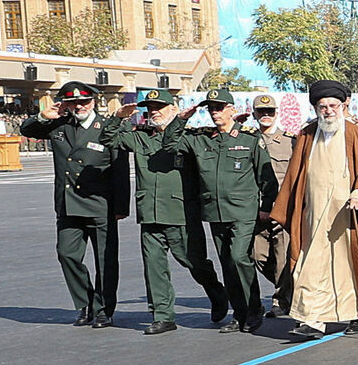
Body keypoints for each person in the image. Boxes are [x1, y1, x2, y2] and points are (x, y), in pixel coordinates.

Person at [271, 80, 358, 337]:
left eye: (333, 105)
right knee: (310, 264)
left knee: (348, 265)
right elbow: (295, 174)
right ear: (315, 107)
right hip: (313, 215)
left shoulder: (356, 134)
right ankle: (312, 320)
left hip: (347, 215)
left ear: (343, 105)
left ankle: (357, 315)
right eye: (322, 106)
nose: (328, 111)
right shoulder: (306, 134)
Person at [103, 89, 230, 335]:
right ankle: (163, 315)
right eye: (149, 108)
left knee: (193, 261)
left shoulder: (190, 137)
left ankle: (217, 292)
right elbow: (109, 139)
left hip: (181, 212)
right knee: (154, 267)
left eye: (159, 107)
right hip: (149, 211)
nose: (154, 112)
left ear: (174, 109)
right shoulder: (140, 138)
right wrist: (118, 117)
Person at [167, 88, 278, 333]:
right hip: (215, 212)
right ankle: (239, 314)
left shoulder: (248, 140)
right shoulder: (201, 139)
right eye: (210, 109)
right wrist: (182, 118)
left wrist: (266, 207)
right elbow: (170, 142)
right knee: (228, 263)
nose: (214, 113)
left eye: (219, 108)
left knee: (239, 258)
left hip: (243, 212)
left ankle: (253, 307)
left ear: (231, 110)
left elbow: (267, 178)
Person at [22, 81, 130, 326]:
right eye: (73, 102)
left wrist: (121, 207)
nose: (79, 106)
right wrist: (43, 115)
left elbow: (120, 169)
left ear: (93, 101)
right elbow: (26, 130)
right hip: (68, 203)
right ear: (66, 104)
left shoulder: (108, 127)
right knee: (66, 254)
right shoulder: (59, 124)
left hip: (100, 203)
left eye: (84, 101)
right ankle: (85, 302)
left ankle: (103, 308)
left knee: (105, 259)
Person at [248, 94, 297, 318]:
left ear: (277, 113)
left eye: (270, 112)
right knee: (257, 255)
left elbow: (296, 176)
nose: (266, 115)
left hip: (280, 207)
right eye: (261, 112)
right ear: (254, 114)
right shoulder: (246, 140)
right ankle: (290, 288)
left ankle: (280, 299)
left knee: (281, 255)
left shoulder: (290, 141)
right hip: (254, 208)